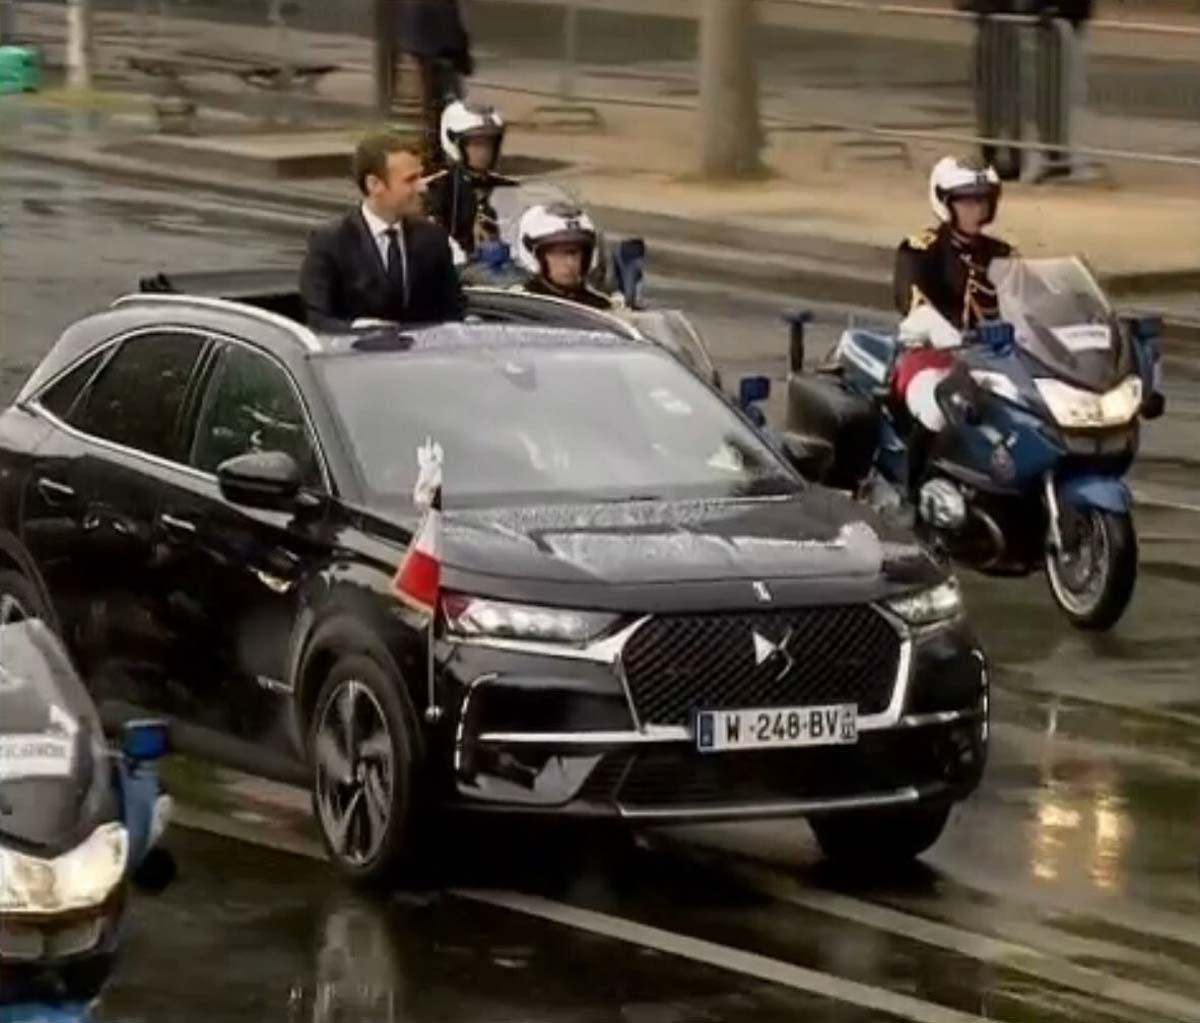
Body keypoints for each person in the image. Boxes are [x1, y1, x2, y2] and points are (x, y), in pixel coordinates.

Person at [890, 155, 1012, 496]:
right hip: (932, 356)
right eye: (967, 201)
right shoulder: (922, 249)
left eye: (982, 200)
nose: (976, 209)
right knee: (938, 410)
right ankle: (911, 495)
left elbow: (1030, 301)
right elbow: (912, 301)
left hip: (995, 361)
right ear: (945, 203)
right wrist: (947, 335)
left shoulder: (1002, 254)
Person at [300, 132, 465, 331]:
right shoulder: (330, 242)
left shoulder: (433, 239)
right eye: (410, 180)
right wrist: (359, 330)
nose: (422, 187)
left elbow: (453, 312)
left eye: (420, 177)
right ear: (374, 184)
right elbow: (319, 321)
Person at [424, 100, 518, 258]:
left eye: (489, 144)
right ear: (454, 142)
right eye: (476, 144)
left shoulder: (508, 187)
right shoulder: (439, 189)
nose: (484, 152)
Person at [397, 0, 474, 170]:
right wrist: (460, 51)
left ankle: (433, 150)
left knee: (432, 102)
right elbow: (448, 19)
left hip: (425, 42)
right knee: (444, 102)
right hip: (438, 45)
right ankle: (439, 151)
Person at [516, 203, 613, 311]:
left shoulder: (602, 310)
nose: (570, 263)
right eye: (559, 253)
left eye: (576, 253)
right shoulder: (517, 305)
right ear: (536, 256)